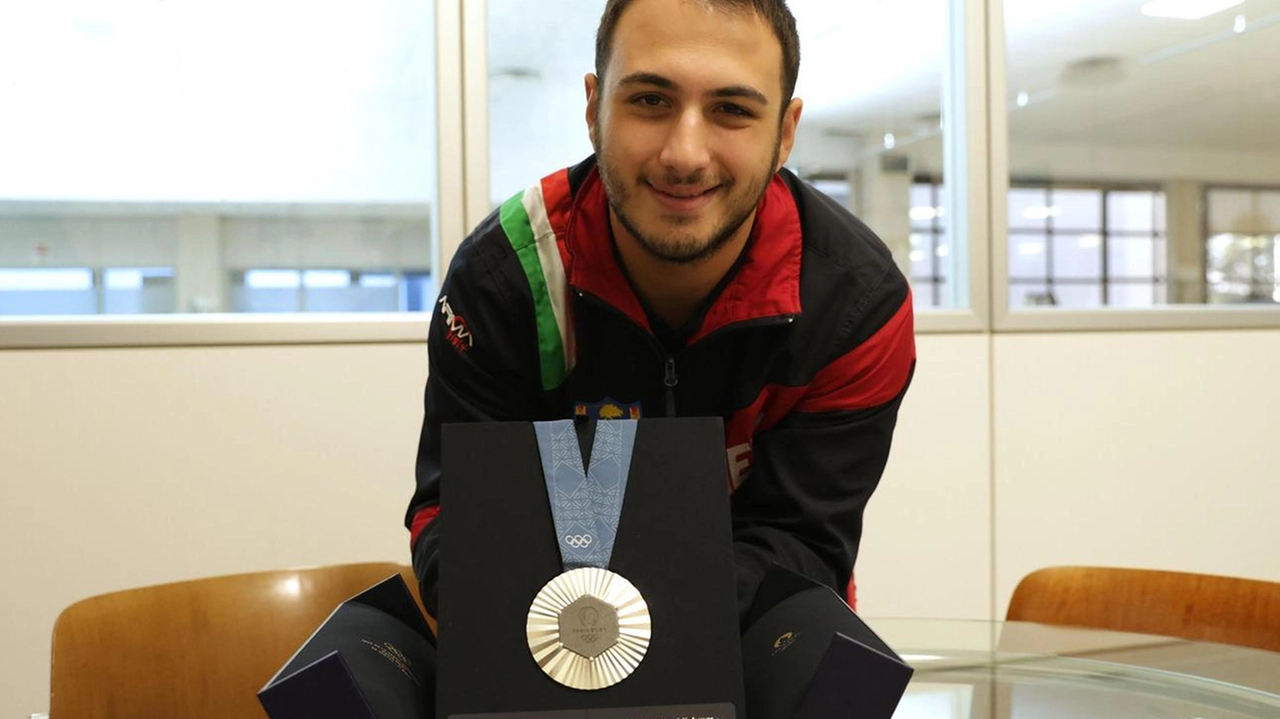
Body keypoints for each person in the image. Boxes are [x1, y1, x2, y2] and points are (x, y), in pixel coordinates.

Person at [406, 0, 915, 623]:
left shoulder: (854, 304)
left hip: (753, 645)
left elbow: (804, 548)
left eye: (732, 110)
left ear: (784, 133)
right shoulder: (505, 278)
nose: (685, 155)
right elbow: (455, 525)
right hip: (535, 649)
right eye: (650, 100)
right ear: (594, 110)